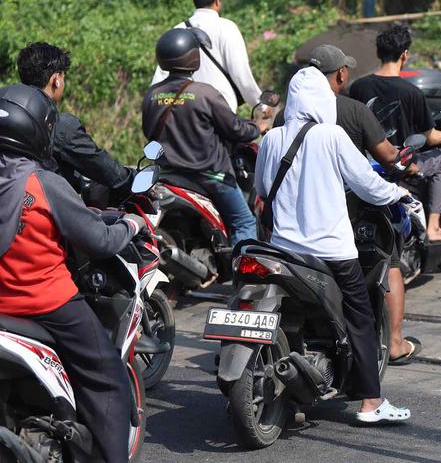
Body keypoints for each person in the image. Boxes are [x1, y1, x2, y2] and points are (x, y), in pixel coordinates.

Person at [255, 66, 413, 424]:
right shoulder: (332, 135)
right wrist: (398, 193)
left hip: (284, 251)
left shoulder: (272, 138)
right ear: (324, 100)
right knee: (361, 315)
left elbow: (264, 189)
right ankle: (371, 402)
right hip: (332, 252)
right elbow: (366, 184)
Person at [0, 84, 144, 463]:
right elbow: (98, 239)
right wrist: (129, 225)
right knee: (107, 378)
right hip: (47, 303)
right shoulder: (44, 183)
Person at [303, 44, 418, 363]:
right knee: (391, 261)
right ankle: (394, 343)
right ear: (340, 74)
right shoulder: (353, 111)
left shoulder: (291, 116)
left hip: (300, 214)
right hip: (351, 211)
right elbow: (388, 157)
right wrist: (409, 168)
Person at [143, 28, 266, 246]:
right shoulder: (205, 93)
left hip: (168, 174)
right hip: (210, 176)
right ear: (193, 57)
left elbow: (149, 131)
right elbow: (235, 129)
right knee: (244, 222)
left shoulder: (152, 95)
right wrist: (256, 127)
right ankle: (247, 276)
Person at [349, 24, 441, 244]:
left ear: (377, 53)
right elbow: (431, 138)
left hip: (366, 164)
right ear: (405, 55)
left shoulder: (358, 87)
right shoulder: (412, 92)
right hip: (399, 166)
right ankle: (434, 227)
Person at [17, 42, 133, 203]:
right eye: (63, 77)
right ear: (56, 79)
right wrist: (135, 180)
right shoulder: (59, 125)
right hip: (48, 210)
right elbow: (103, 168)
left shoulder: (11, 117)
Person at [150, 0, 264, 114]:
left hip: (184, 113)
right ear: (217, 1)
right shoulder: (227, 28)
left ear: (194, 0)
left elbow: (160, 77)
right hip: (221, 111)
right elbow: (241, 73)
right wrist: (260, 104)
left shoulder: (177, 31)